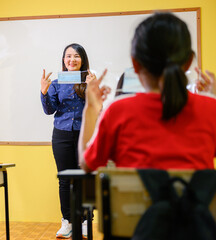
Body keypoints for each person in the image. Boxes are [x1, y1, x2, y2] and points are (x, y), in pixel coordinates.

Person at [78, 12, 216, 173]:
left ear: (135, 64)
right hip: (195, 199)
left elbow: (86, 164)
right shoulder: (211, 109)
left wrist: (90, 109)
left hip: (135, 199)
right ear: (188, 63)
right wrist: (211, 99)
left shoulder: (118, 111)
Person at [40, 43, 110, 238]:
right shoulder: (55, 83)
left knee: (85, 178)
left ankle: (87, 220)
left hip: (84, 134)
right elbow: (49, 110)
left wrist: (93, 88)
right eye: (68, 56)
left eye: (76, 56)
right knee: (64, 179)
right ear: (64, 60)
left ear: (82, 60)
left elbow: (98, 109)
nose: (72, 60)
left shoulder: (90, 80)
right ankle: (68, 221)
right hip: (61, 134)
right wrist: (44, 92)